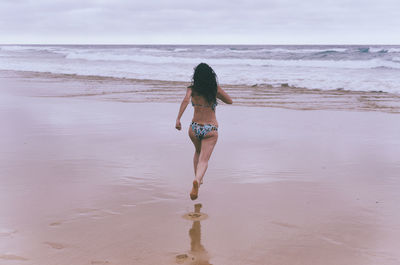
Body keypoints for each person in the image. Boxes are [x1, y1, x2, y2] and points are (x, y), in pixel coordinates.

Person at [175, 63, 232, 200]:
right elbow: (230, 101)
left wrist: (178, 119)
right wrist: (217, 93)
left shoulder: (191, 89)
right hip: (210, 129)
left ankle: (197, 180)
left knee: (198, 152)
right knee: (204, 160)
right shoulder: (214, 89)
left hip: (194, 128)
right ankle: (197, 180)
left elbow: (185, 100)